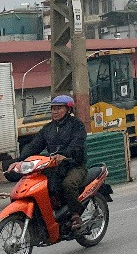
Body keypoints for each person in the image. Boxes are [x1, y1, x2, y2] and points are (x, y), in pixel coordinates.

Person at [22, 95, 87, 229]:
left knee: (68, 184)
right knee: (42, 186)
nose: (55, 112)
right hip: (54, 167)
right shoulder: (48, 129)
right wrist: (18, 160)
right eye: (53, 109)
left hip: (74, 166)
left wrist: (65, 155)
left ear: (68, 109)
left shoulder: (77, 125)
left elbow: (76, 144)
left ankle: (75, 215)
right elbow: (34, 146)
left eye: (58, 108)